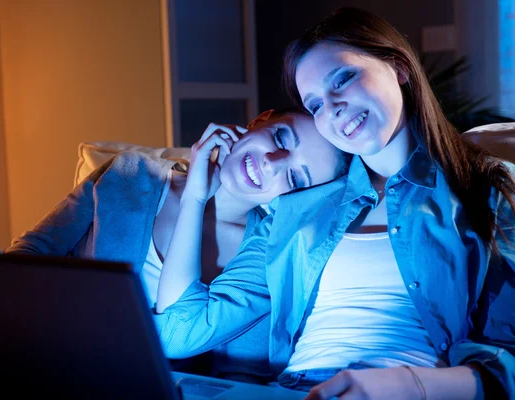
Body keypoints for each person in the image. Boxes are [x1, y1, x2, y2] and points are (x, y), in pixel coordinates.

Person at [154, 7, 515, 399]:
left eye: (343, 78)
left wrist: (410, 385)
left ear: (399, 68)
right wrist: (195, 193)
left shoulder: (483, 189)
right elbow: (178, 331)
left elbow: (507, 355)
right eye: (315, 105)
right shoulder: (294, 208)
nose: (334, 108)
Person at [6, 108, 347, 383]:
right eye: (280, 137)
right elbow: (26, 257)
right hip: (46, 360)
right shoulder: (129, 173)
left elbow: (184, 339)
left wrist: (196, 198)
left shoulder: (268, 255)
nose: (271, 162)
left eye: (295, 178)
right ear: (259, 121)